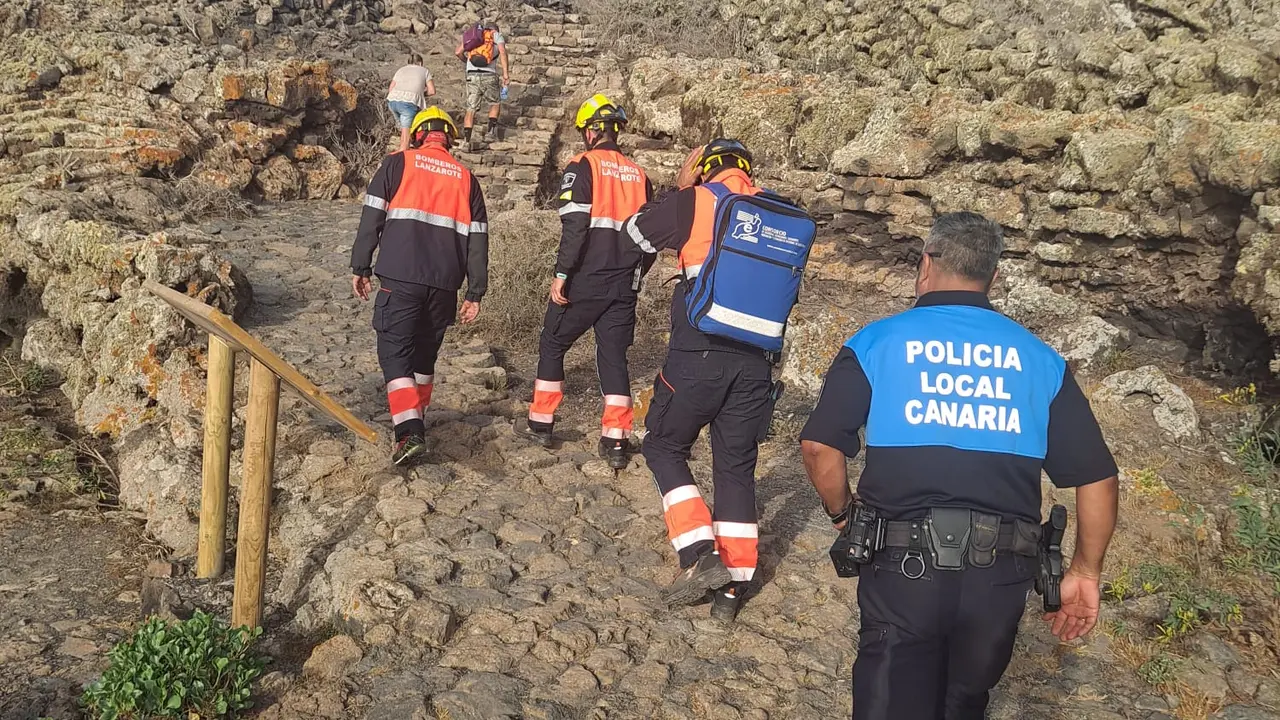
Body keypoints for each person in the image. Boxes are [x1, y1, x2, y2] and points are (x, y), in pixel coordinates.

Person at [798, 212, 1120, 719]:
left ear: (926, 264)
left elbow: (820, 447)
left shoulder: (877, 342)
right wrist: (1085, 571)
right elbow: (1097, 476)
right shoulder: (1040, 360)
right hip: (1000, 577)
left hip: (902, 568)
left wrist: (844, 515)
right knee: (965, 703)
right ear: (992, 278)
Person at [621, 139, 778, 624]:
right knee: (735, 466)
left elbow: (634, 234)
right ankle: (733, 589)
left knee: (663, 446)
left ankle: (697, 551)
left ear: (707, 169)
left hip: (698, 352)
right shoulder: (776, 211)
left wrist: (681, 187)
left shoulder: (698, 199)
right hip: (756, 361)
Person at [513, 94, 653, 469]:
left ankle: (541, 423)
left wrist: (561, 274)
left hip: (586, 279)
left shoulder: (583, 166)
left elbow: (575, 228)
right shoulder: (640, 176)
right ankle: (616, 439)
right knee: (613, 356)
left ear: (591, 131)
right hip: (625, 284)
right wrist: (636, 274)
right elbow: (652, 240)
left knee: (553, 342)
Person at [351, 107, 489, 465]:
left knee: (394, 353)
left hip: (401, 277)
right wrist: (475, 291)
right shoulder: (467, 178)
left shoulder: (397, 164)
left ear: (417, 135)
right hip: (444, 286)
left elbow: (372, 218)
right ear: (450, 139)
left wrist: (360, 265)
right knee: (425, 356)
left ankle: (410, 431)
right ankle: (418, 417)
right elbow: (478, 241)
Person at [454, 21, 509, 147]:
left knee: (471, 108)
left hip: (472, 75)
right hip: (489, 75)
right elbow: (502, 51)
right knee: (495, 103)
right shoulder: (496, 35)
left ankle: (466, 142)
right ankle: (490, 133)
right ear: (495, 30)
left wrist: (466, 61)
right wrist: (506, 74)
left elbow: (458, 52)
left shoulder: (475, 35)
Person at [385, 53, 436, 152]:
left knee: (403, 127)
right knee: (405, 141)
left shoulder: (401, 70)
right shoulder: (425, 71)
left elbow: (391, 88)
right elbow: (432, 91)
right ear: (420, 63)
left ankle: (408, 140)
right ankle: (402, 156)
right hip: (409, 103)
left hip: (392, 101)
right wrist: (420, 94)